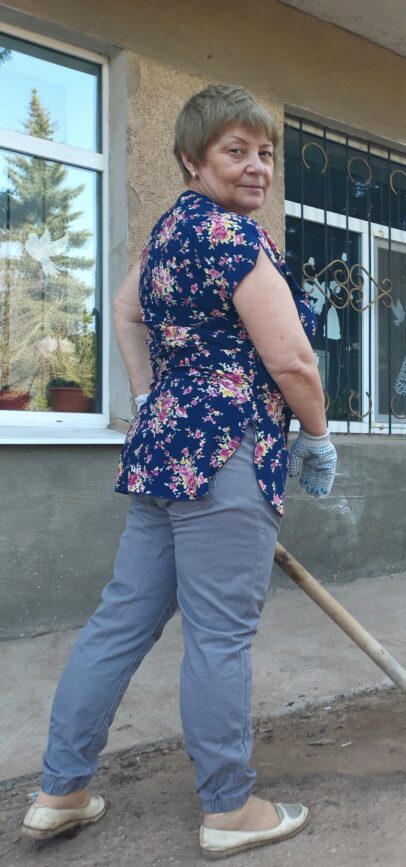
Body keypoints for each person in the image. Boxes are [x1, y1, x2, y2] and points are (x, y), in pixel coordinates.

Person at [22, 84, 337, 859]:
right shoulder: (234, 239)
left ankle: (59, 791)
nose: (257, 166)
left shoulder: (170, 233)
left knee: (120, 621)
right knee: (220, 636)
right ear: (193, 159)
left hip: (165, 448)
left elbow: (127, 312)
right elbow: (292, 356)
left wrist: (150, 395)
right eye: (236, 151)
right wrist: (319, 438)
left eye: (265, 153)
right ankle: (229, 805)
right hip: (228, 451)